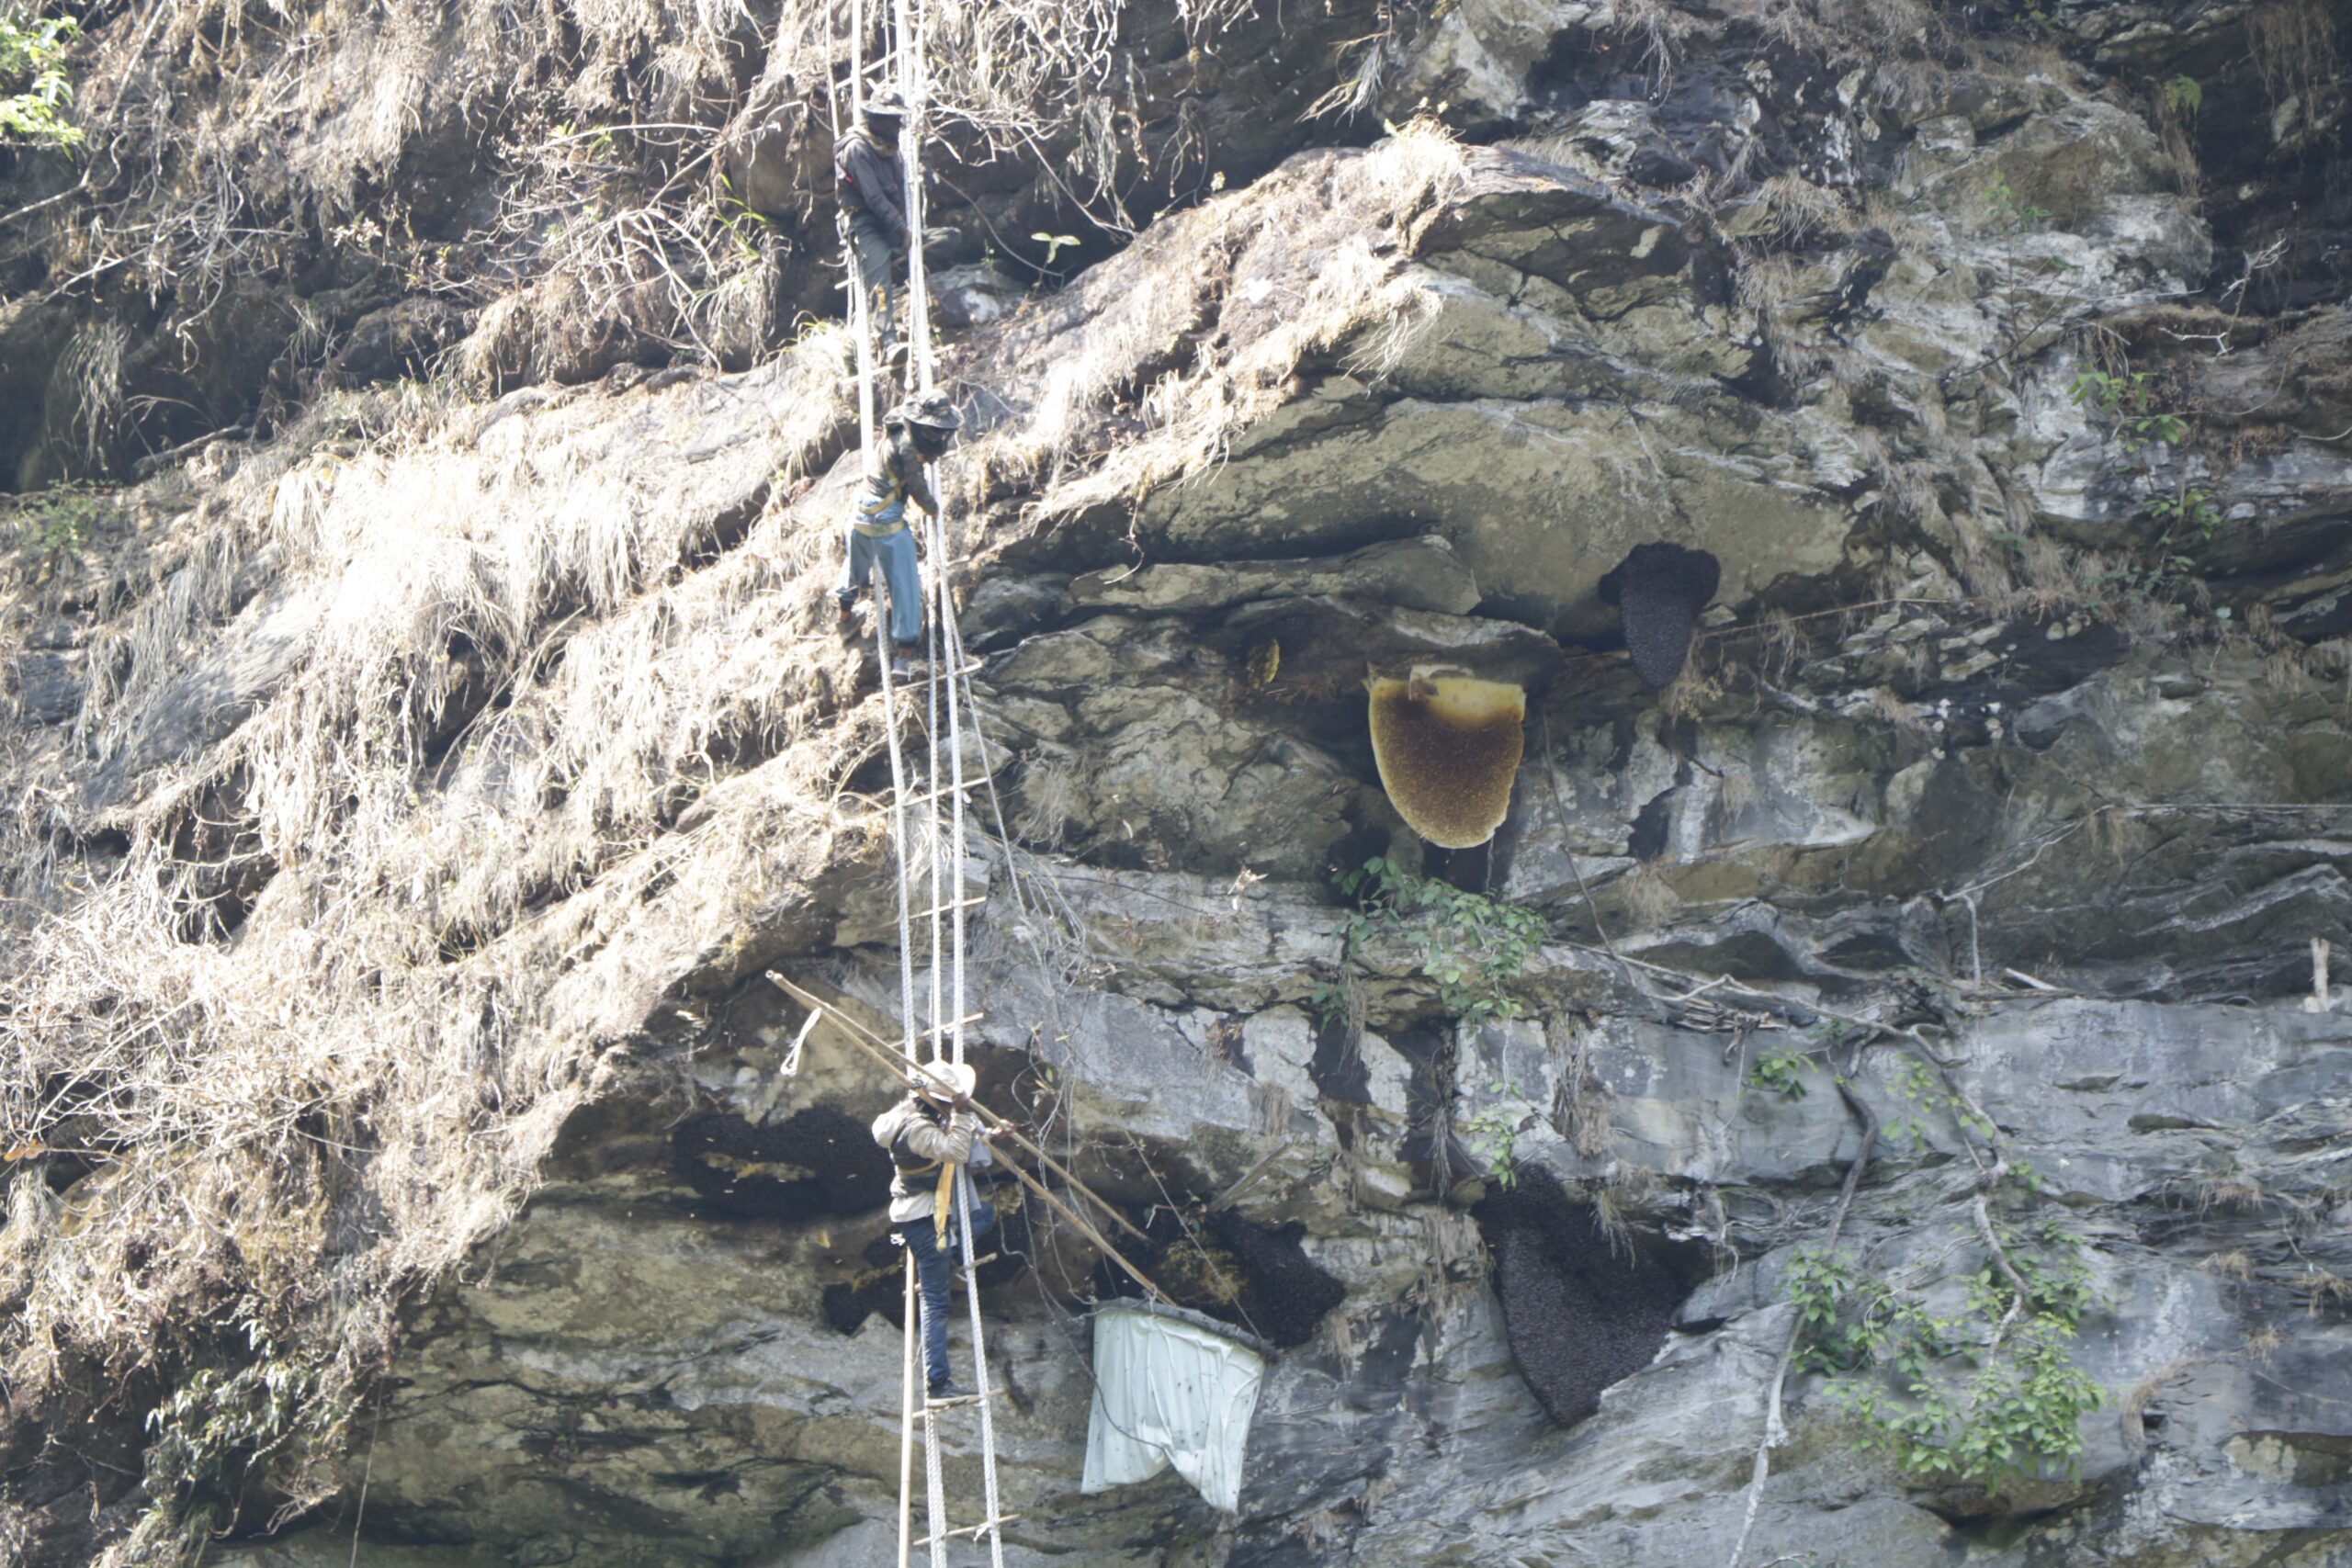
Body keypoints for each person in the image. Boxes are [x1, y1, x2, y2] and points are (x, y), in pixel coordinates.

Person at [871, 1060, 1000, 1402]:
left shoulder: (907, 1114)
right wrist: (960, 1113)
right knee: (936, 1303)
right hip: (923, 1219)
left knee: (984, 1214)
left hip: (929, 1212)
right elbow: (955, 1151)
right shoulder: (916, 1129)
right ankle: (938, 1383)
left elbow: (955, 1133)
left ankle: (952, 1253)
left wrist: (987, 1134)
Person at [837, 392, 961, 680]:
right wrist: (932, 508)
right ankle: (903, 657)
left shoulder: (896, 423)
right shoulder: (907, 450)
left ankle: (844, 615)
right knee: (905, 582)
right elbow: (917, 488)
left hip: (860, 514)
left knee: (855, 563)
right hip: (886, 523)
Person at [834, 89, 913, 365]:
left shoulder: (891, 149)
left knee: (948, 239)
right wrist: (902, 229)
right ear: (875, 119)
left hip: (892, 223)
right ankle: (888, 342)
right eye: (890, 120)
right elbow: (874, 197)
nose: (896, 126)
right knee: (879, 277)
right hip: (866, 223)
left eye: (897, 120)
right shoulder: (857, 148)